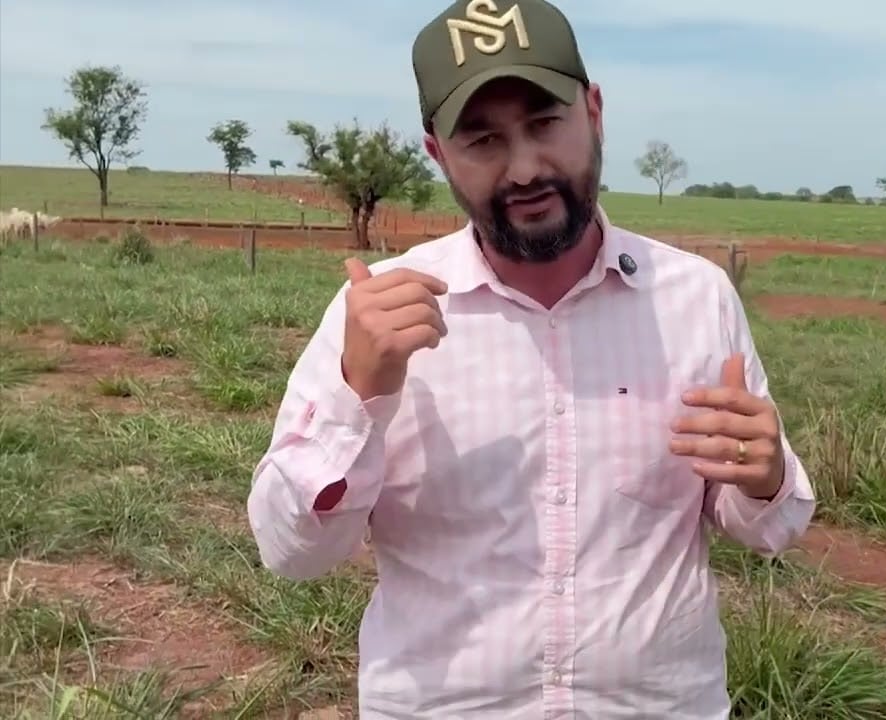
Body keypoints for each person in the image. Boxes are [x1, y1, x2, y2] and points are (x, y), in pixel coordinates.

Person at [245, 0, 816, 716]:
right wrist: (360, 394)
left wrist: (763, 479)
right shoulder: (375, 318)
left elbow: (771, 526)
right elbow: (292, 554)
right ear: (437, 154)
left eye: (546, 125)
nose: (524, 169)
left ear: (595, 112)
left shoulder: (695, 299)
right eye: (483, 140)